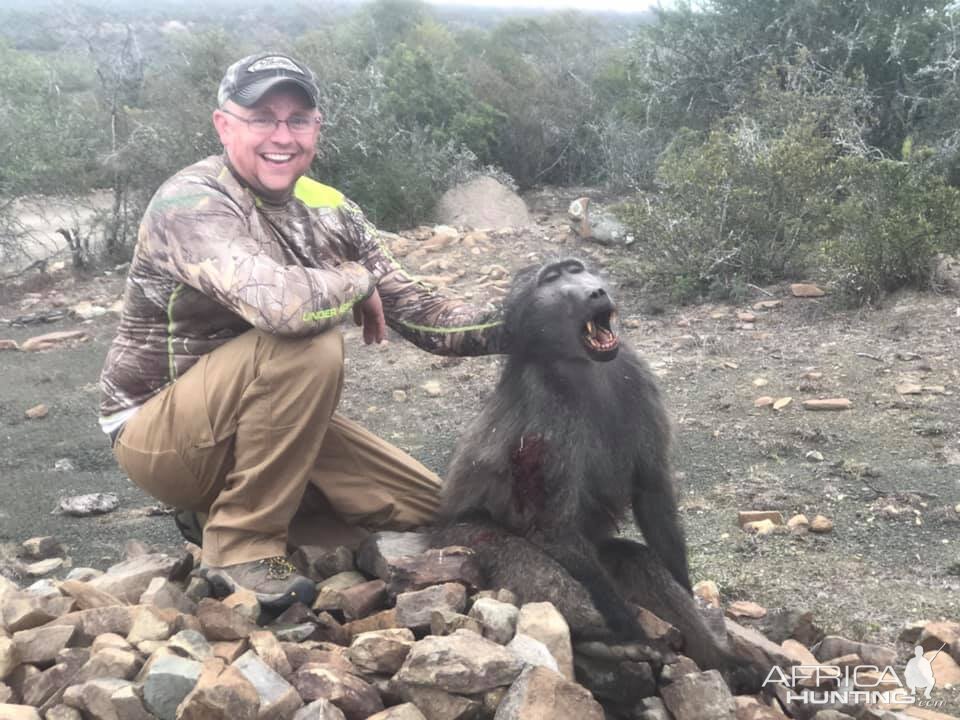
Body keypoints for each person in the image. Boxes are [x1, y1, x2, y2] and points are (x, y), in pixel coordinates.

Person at [98, 52, 504, 609]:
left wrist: (533, 319)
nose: (281, 136)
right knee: (310, 343)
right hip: (159, 434)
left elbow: (420, 314)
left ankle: (223, 517)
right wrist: (356, 279)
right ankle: (241, 544)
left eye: (297, 119)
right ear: (224, 125)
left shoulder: (332, 210)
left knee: (437, 509)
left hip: (262, 423)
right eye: (262, 117)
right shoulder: (191, 201)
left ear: (318, 129)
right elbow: (281, 311)